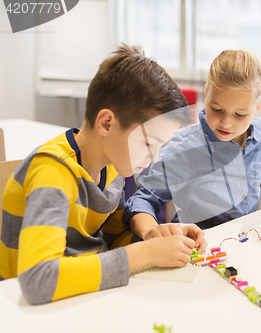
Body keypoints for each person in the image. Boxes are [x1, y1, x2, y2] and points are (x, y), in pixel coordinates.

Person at [0, 45, 207, 305]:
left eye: (160, 147)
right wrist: (146, 252)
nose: (153, 158)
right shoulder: (52, 172)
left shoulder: (112, 167)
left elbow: (111, 236)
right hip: (28, 311)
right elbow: (38, 281)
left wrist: (155, 235)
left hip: (81, 297)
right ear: (106, 123)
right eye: (148, 144)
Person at [124, 49, 261, 234]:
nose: (226, 123)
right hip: (200, 240)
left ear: (258, 106)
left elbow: (257, 162)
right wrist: (150, 231)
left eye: (240, 114)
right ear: (206, 94)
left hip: (245, 236)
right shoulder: (185, 147)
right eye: (217, 109)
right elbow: (142, 199)